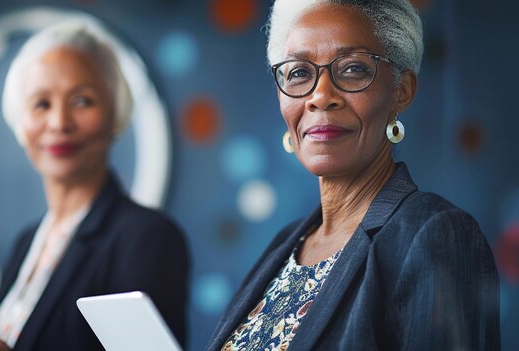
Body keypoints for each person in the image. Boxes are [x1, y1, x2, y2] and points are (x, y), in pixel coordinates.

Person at [206, 0, 499, 350]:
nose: (320, 96)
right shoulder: (285, 245)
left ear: (401, 90)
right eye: (299, 72)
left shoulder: (435, 234)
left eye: (353, 69)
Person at [0, 19, 189, 351]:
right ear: (21, 123)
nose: (60, 122)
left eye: (82, 101)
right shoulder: (26, 242)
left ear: (115, 115)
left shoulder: (148, 238)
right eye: (41, 104)